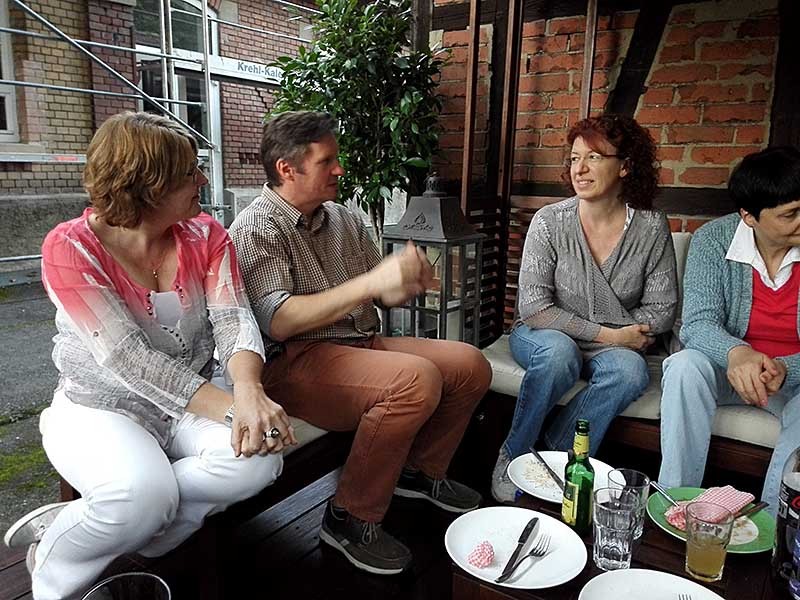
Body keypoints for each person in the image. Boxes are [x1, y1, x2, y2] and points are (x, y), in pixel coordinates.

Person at [3, 112, 293, 600]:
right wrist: (234, 410)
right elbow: (128, 359)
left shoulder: (206, 235)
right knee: (142, 496)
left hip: (188, 402)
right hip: (101, 406)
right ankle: (54, 566)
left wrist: (248, 391)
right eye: (189, 172)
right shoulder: (70, 247)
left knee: (257, 461)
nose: (203, 180)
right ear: (148, 185)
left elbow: (233, 319)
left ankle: (116, 520)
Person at [228, 110, 491, 576]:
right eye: (327, 160)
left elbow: (380, 291)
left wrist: (406, 281)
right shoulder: (255, 227)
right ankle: (348, 517)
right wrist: (371, 283)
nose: (340, 168)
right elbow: (279, 320)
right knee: (414, 380)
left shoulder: (342, 217)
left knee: (471, 364)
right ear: (288, 169)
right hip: (293, 363)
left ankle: (418, 471)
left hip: (358, 344)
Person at [491, 114, 679, 503]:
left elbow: (662, 309)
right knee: (559, 353)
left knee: (629, 372)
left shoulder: (650, 227)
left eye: (594, 157)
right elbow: (535, 308)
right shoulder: (550, 221)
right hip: (544, 334)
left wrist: (622, 338)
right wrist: (612, 334)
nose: (579, 168)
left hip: (612, 345)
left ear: (625, 166)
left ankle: (556, 458)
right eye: (575, 158)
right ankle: (514, 454)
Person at [659, 146, 800, 514]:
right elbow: (698, 323)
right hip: (727, 371)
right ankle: (675, 504)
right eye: (790, 214)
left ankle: (776, 523)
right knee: (684, 366)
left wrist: (784, 368)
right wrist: (737, 353)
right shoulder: (713, 240)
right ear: (749, 217)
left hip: (792, 381)